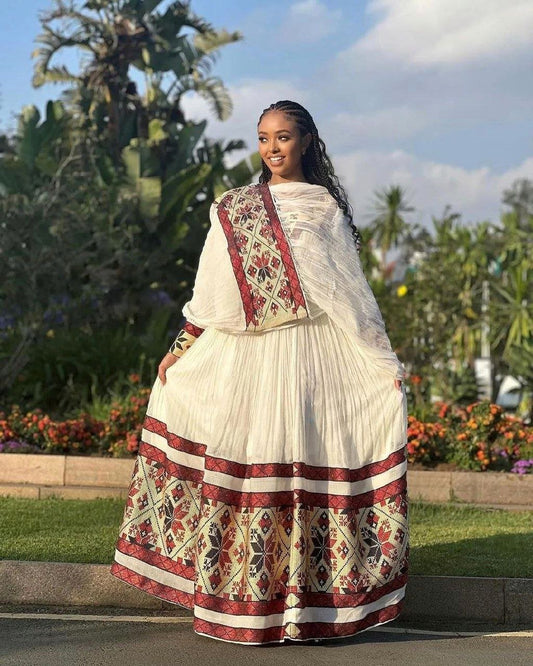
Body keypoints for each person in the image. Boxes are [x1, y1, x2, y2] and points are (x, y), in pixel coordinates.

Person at [110, 100, 408, 645]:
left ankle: (303, 605)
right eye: (264, 138)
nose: (273, 149)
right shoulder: (235, 209)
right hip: (247, 357)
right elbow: (211, 295)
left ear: (308, 141)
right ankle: (239, 604)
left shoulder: (323, 210)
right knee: (246, 455)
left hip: (308, 356)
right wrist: (182, 347)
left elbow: (350, 297)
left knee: (299, 461)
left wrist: (382, 362)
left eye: (284, 137)